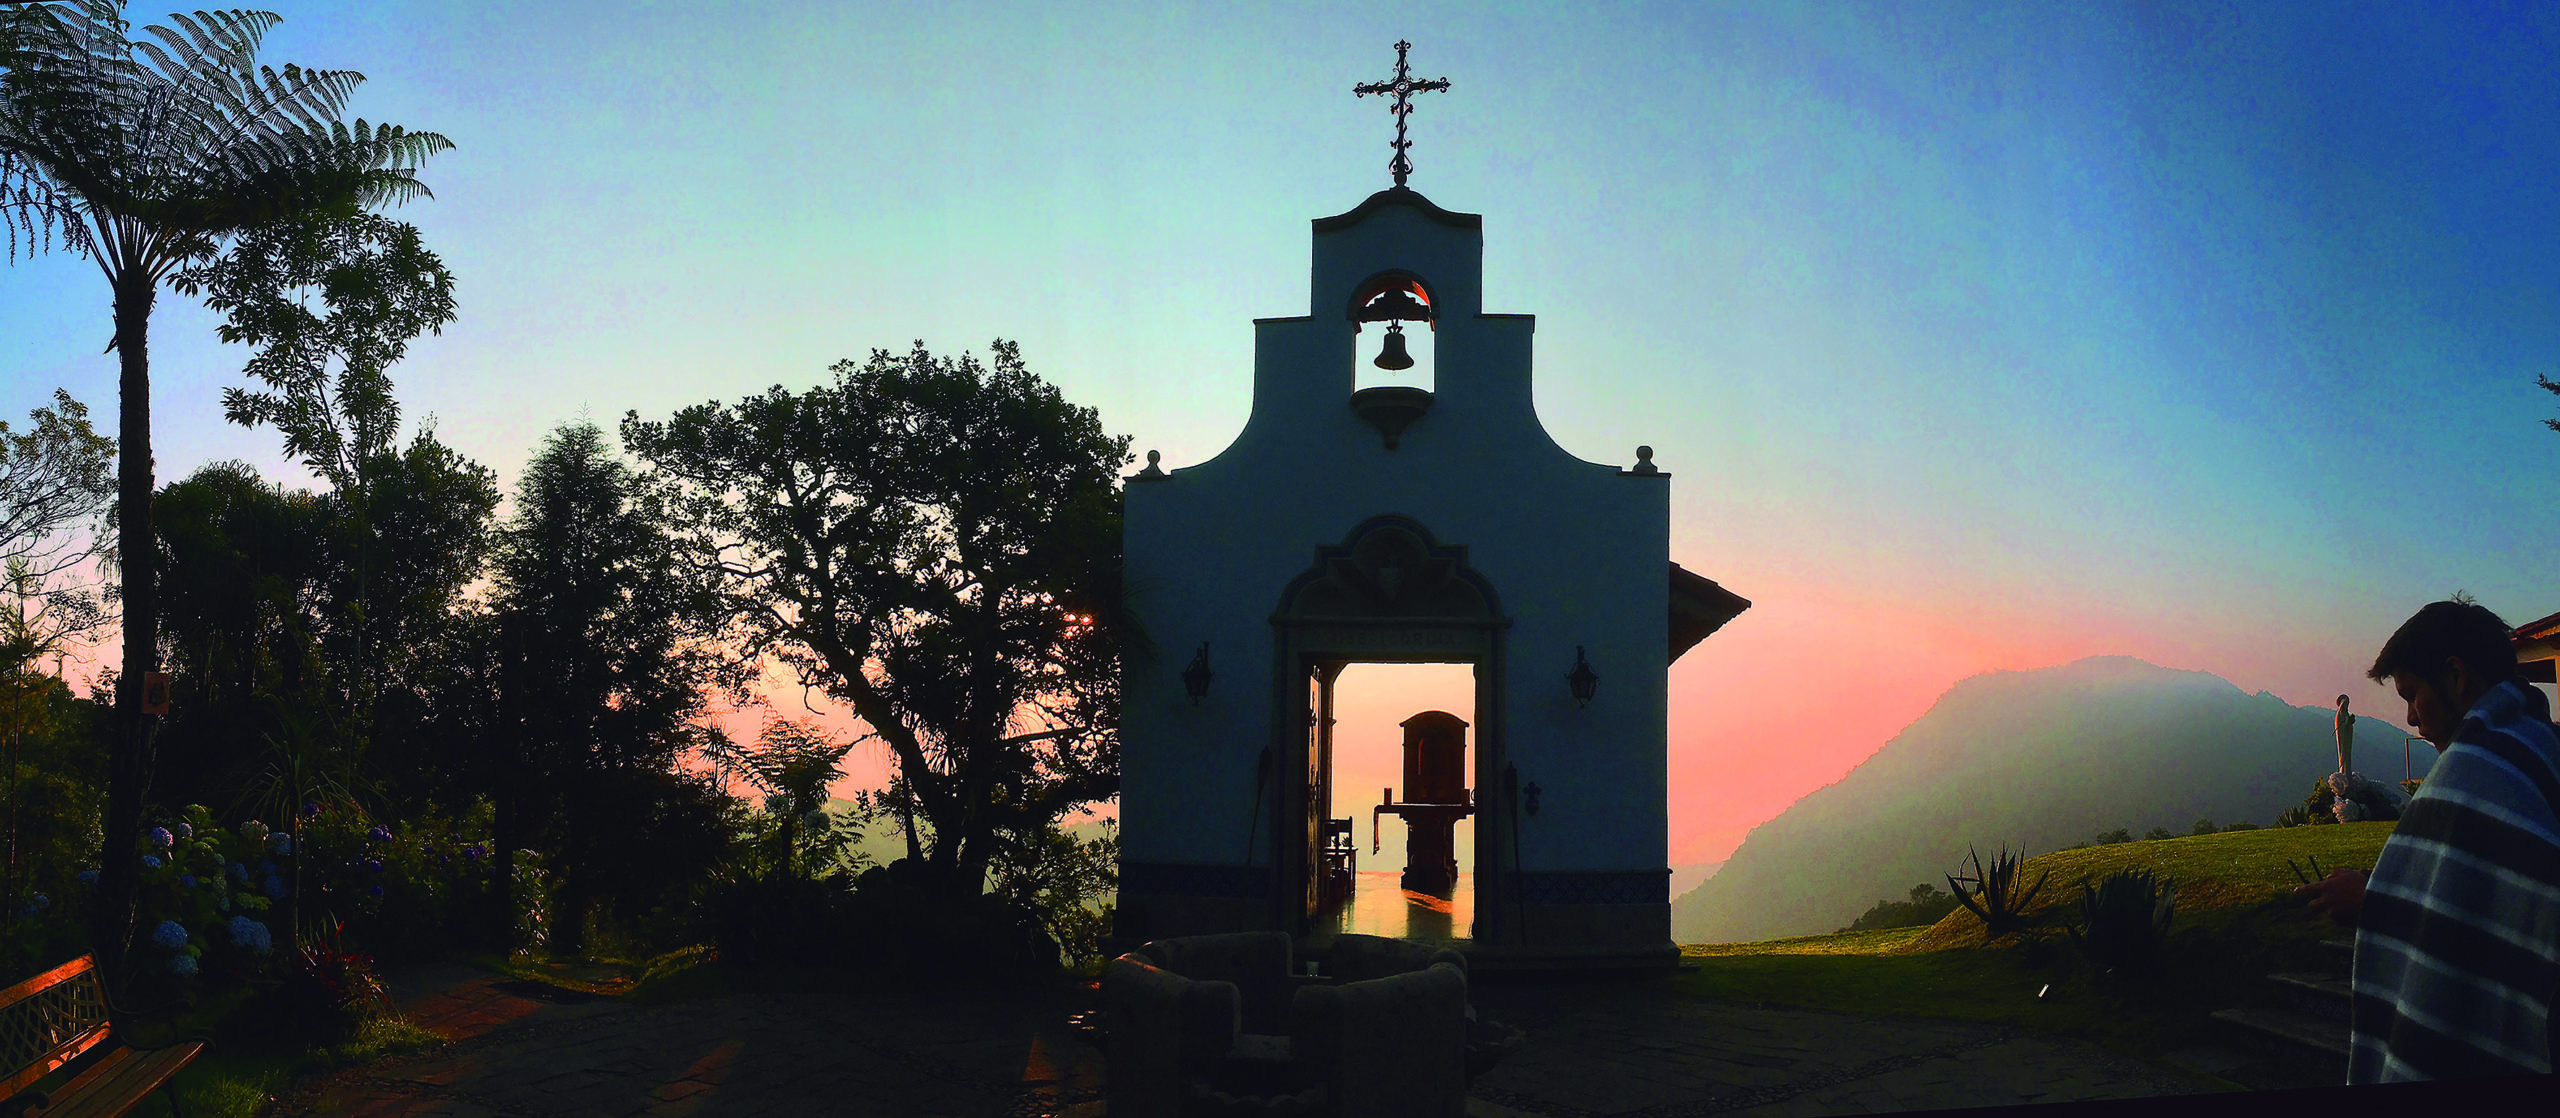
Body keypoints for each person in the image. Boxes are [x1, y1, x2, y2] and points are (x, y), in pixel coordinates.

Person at [2295, 599, 2560, 1080]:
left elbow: (2464, 925)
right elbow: (2491, 897)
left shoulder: (2475, 773)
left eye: (2412, 695)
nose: (2413, 719)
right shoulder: (2541, 751)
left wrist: (2369, 901)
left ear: (2455, 677)